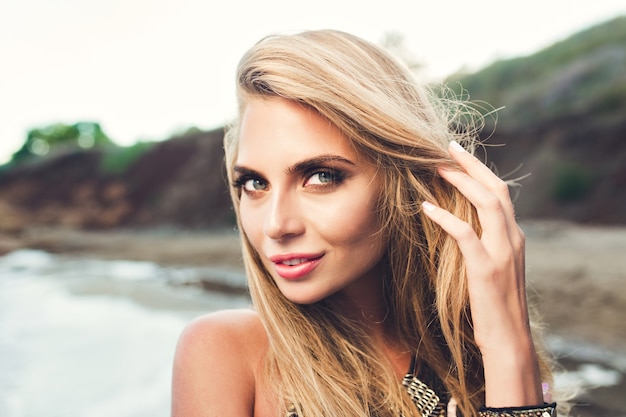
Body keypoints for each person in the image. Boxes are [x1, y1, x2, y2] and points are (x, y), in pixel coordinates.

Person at [171, 29, 562, 417]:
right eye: (255, 183)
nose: (276, 225)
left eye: (321, 176)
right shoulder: (227, 353)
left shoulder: (467, 355)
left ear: (402, 181)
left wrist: (508, 346)